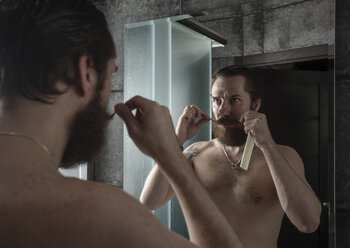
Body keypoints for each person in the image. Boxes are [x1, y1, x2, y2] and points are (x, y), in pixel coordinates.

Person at [0, 1, 245, 247]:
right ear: (84, 73)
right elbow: (149, 202)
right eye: (110, 75)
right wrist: (170, 151)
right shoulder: (96, 215)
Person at [140, 66, 322, 248]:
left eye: (234, 100)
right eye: (216, 100)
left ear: (255, 105)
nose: (223, 110)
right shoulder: (196, 153)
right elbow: (149, 202)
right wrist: (176, 141)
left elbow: (308, 223)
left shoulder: (283, 155)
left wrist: (267, 145)